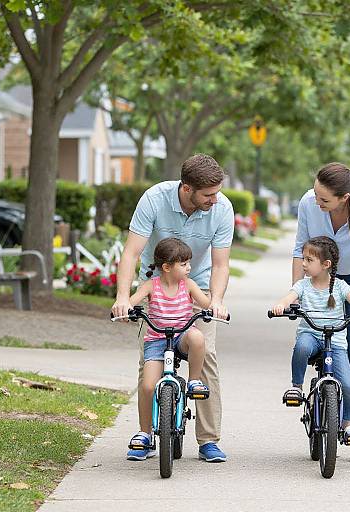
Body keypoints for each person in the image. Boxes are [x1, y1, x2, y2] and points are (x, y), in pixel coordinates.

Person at [112, 154, 234, 463]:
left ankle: (208, 440)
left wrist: (216, 300)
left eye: (217, 192)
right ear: (186, 188)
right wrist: (123, 298)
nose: (215, 199)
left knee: (205, 355)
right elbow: (131, 252)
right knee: (148, 365)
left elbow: (221, 264)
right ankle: (145, 435)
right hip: (155, 285)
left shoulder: (222, 209)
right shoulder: (155, 199)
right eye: (208, 194)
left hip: (198, 285)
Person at [293, 162, 350, 463]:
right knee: (313, 342)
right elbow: (299, 250)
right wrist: (297, 291)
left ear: (344, 197)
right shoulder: (308, 202)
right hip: (318, 280)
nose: (316, 201)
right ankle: (319, 404)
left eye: (324, 199)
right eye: (317, 194)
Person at [272, 236, 350, 444]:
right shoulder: (303, 286)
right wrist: (281, 305)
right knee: (301, 347)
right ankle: (296, 387)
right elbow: (288, 298)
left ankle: (347, 423)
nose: (304, 264)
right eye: (304, 259)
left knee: (349, 386)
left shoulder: (341, 287)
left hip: (336, 342)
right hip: (311, 334)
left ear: (326, 265)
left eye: (309, 260)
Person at [126, 238, 213, 457]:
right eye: (183, 264)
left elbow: (206, 304)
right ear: (166, 267)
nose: (189, 268)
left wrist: (216, 307)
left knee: (197, 337)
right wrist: (125, 308)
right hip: (157, 340)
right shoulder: (150, 286)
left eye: (188, 263)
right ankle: (145, 434)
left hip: (181, 337)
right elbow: (132, 300)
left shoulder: (189, 285)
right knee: (147, 386)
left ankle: (193, 381)